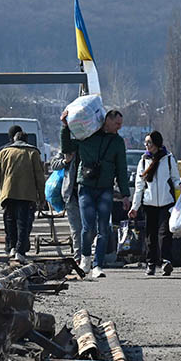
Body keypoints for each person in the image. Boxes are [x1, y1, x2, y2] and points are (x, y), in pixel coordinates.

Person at [61, 108, 131, 279]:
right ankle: (85, 259)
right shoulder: (87, 136)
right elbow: (67, 147)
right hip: (85, 186)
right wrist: (65, 127)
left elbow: (122, 168)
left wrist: (125, 194)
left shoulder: (117, 142)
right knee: (88, 226)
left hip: (106, 188)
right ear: (107, 120)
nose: (119, 127)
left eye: (121, 124)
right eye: (117, 123)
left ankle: (97, 265)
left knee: (104, 228)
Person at [128, 131, 181, 276]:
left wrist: (180, 185)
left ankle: (166, 261)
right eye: (145, 143)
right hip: (148, 203)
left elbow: (174, 178)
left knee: (165, 233)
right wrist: (134, 207)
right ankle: (151, 263)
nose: (146, 145)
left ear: (156, 143)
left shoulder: (168, 159)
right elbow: (139, 187)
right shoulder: (143, 161)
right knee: (150, 235)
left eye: (149, 142)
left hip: (166, 202)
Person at [0, 131, 45, 264]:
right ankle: (20, 251)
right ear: (27, 140)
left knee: (9, 220)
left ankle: (12, 247)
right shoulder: (33, 152)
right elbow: (39, 176)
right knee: (23, 222)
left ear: (14, 139)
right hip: (27, 194)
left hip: (8, 193)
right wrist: (41, 196)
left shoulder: (4, 152)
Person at [49, 150, 82, 260]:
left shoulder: (92, 146)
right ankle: (78, 257)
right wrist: (65, 161)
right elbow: (54, 164)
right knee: (76, 228)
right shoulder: (67, 148)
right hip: (71, 194)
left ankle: (84, 252)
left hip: (89, 193)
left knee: (91, 228)